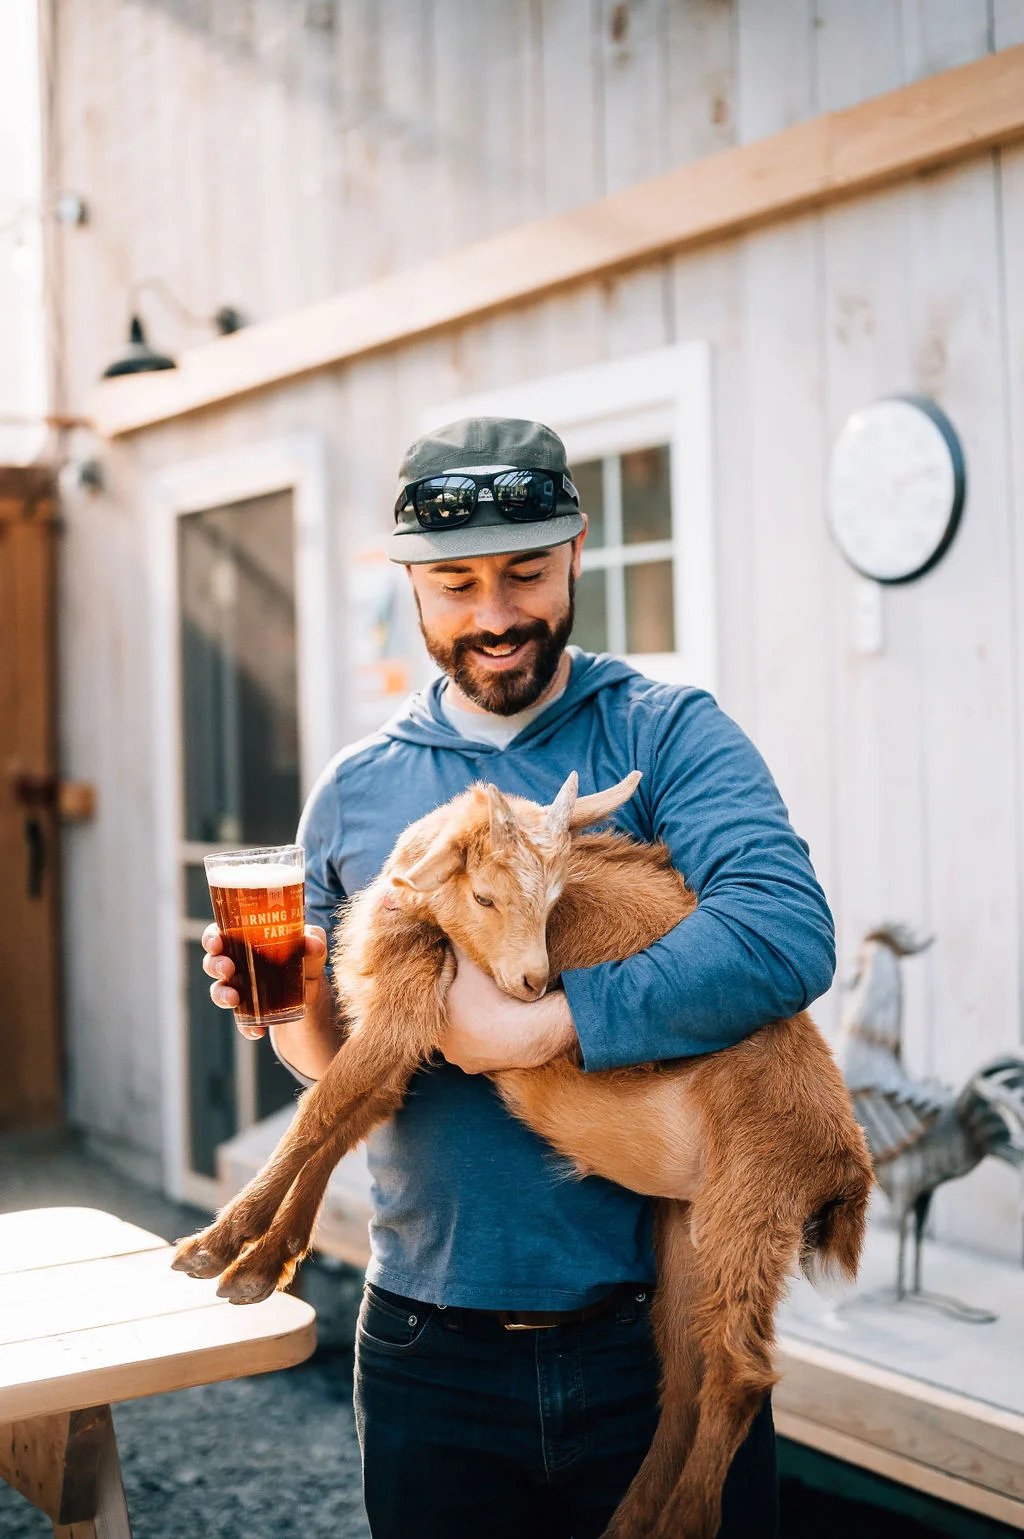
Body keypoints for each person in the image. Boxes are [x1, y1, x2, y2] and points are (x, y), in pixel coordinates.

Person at [201, 416, 835, 1538]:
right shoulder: (356, 791)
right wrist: (287, 1001)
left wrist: (546, 1028)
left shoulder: (665, 737)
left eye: (525, 574)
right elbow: (339, 1068)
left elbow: (786, 931)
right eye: (455, 583)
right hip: (422, 1349)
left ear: (577, 554)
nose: (494, 616)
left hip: (648, 1343)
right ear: (411, 585)